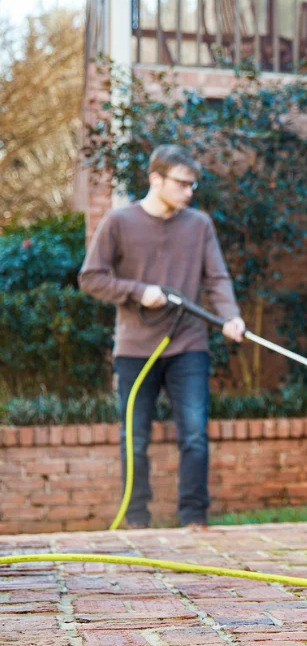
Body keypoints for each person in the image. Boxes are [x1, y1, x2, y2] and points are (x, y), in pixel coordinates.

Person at [79, 145, 245, 528]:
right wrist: (140, 292)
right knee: (134, 438)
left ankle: (194, 518)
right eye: (182, 184)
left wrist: (230, 317)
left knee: (194, 435)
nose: (189, 192)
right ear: (155, 179)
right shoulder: (119, 222)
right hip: (135, 349)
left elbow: (217, 278)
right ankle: (136, 519)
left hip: (188, 345)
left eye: (193, 185)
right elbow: (91, 277)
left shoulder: (199, 224)